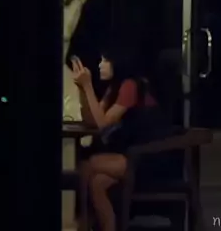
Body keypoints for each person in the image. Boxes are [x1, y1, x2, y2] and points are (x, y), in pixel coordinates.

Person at [71, 45, 167, 231]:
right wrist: (82, 89)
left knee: (87, 165)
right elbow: (92, 120)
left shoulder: (131, 86)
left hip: (146, 158)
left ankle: (83, 224)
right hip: (129, 154)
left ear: (119, 63)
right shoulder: (114, 88)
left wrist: (88, 85)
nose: (100, 65)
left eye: (105, 61)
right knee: (97, 182)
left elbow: (103, 126)